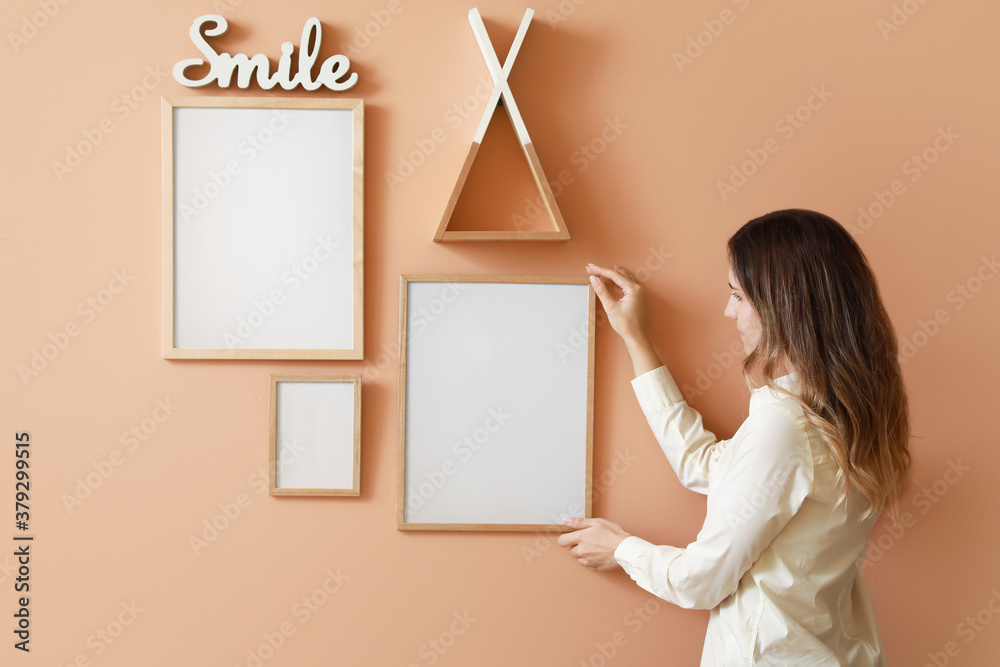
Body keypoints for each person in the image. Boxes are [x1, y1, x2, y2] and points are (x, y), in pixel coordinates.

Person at [557, 209, 910, 666]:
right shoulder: (846, 416)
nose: (728, 311)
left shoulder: (785, 427)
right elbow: (703, 465)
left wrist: (620, 548)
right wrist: (637, 338)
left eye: (738, 296)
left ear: (784, 305)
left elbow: (702, 581)